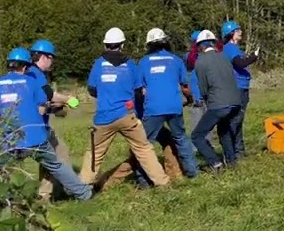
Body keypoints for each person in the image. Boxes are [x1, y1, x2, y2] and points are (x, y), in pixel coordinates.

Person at [0, 47, 92, 200]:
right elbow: (42, 108)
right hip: (36, 137)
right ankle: (85, 194)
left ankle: (1, 199)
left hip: (11, 139)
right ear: (25, 66)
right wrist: (59, 108)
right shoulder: (31, 82)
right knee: (57, 166)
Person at [80, 27, 169, 189]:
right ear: (122, 45)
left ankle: (84, 188)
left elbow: (92, 89)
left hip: (104, 117)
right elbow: (138, 91)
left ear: (106, 45)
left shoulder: (98, 64)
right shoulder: (130, 65)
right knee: (144, 149)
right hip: (127, 115)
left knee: (95, 153)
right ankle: (162, 182)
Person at [135, 28, 199, 180]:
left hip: (153, 108)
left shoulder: (143, 62)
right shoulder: (176, 60)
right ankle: (193, 172)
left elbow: (139, 89)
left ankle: (143, 178)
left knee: (145, 145)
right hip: (174, 106)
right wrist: (189, 99)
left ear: (149, 45)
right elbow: (185, 87)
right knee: (181, 138)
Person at [25, 38, 78, 200]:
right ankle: (62, 191)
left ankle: (52, 192)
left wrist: (54, 108)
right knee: (58, 153)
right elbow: (49, 94)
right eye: (51, 58)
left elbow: (41, 101)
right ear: (44, 57)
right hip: (37, 128)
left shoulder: (29, 72)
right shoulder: (35, 73)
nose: (52, 62)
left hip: (34, 125)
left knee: (55, 154)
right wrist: (68, 99)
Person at [190, 30, 243, 171]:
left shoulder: (200, 62)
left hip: (218, 104)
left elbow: (203, 88)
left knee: (197, 136)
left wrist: (208, 101)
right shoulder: (224, 57)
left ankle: (214, 162)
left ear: (200, 46)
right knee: (224, 130)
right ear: (214, 43)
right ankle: (231, 161)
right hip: (236, 101)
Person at [219, 20, 258, 157]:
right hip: (237, 88)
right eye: (237, 30)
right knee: (235, 120)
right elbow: (240, 63)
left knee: (238, 120)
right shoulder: (230, 48)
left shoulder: (234, 49)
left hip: (241, 87)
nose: (240, 32)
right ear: (231, 34)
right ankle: (231, 152)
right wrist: (254, 57)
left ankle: (239, 151)